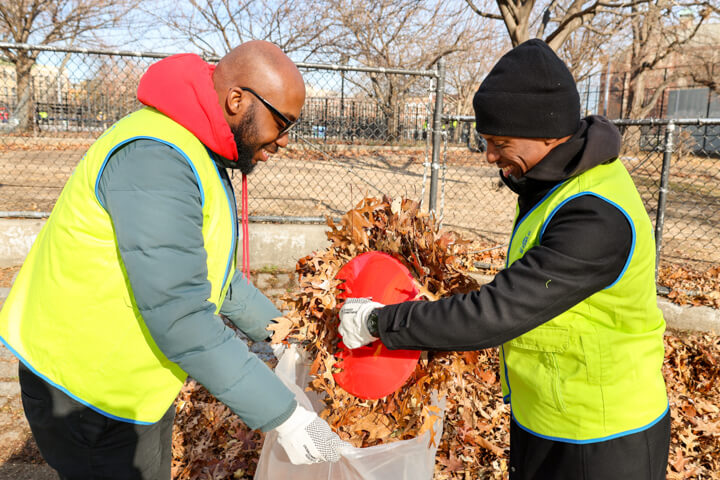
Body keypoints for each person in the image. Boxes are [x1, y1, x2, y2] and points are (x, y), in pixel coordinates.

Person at [0, 40, 347, 479]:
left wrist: (278, 332)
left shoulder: (196, 147)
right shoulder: (157, 158)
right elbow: (180, 313)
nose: (281, 143)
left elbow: (205, 273)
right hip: (86, 391)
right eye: (282, 123)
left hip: (131, 385)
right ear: (237, 100)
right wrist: (286, 416)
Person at [339, 39, 669, 480]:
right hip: (547, 417)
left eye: (499, 142)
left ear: (548, 133)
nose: (490, 156)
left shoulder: (595, 214)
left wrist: (382, 323)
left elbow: (498, 311)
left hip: (602, 437)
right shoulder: (551, 182)